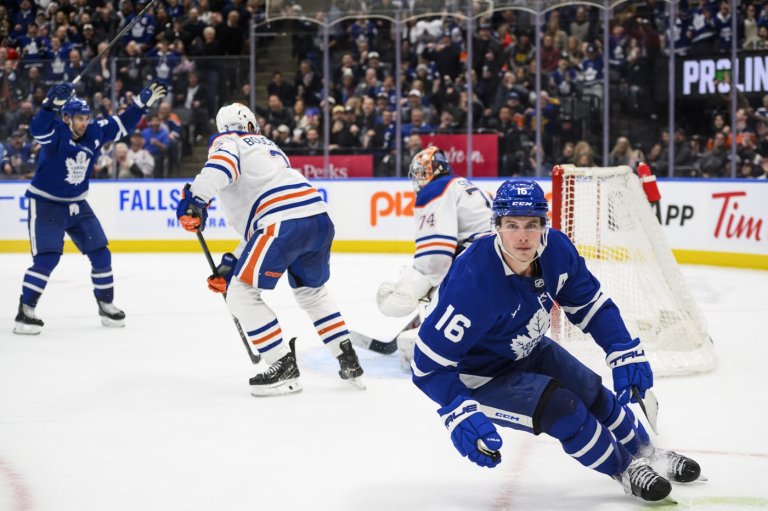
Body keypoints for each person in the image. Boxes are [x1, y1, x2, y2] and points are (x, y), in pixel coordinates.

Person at [411, 179, 701, 502]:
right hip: (482, 377)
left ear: (544, 225)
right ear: (497, 227)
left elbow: (591, 306)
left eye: (531, 225)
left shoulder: (557, 251)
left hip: (527, 348)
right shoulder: (472, 281)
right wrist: (457, 409)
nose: (522, 236)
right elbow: (427, 366)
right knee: (566, 410)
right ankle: (625, 469)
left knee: (593, 393)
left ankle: (649, 454)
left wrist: (621, 347)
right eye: (512, 225)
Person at [175, 103, 365, 396]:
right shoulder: (269, 147)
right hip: (317, 217)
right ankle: (347, 358)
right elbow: (261, 226)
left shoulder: (229, 141)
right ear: (252, 124)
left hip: (281, 222)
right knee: (312, 293)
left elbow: (221, 168)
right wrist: (232, 263)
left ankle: (282, 366)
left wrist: (194, 200)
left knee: (240, 294)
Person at [13, 79, 168, 335]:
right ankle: (25, 311)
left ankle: (106, 305)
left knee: (101, 254)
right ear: (66, 118)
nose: (84, 123)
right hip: (46, 203)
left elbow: (122, 123)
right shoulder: (56, 132)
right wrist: (50, 105)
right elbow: (37, 129)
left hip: (77, 202)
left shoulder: (95, 131)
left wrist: (141, 104)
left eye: (86, 118)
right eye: (79, 118)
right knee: (47, 259)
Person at [374, 146, 492, 370]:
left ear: (430, 171)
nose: (418, 180)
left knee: (431, 289)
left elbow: (435, 257)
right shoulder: (459, 183)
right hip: (493, 262)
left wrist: (414, 287)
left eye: (419, 173)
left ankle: (434, 341)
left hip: (477, 265)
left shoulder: (436, 189)